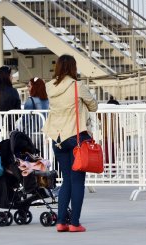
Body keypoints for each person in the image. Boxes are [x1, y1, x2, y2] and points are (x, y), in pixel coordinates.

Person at [41, 54, 98, 233]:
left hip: (57, 138)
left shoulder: (49, 87)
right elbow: (94, 106)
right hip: (76, 136)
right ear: (73, 68)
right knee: (78, 181)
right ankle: (74, 223)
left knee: (66, 180)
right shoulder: (77, 86)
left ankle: (61, 222)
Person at [22, 77, 49, 156]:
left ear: (35, 87)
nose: (27, 88)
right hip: (47, 134)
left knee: (34, 159)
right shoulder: (49, 101)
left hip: (34, 133)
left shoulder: (31, 100)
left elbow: (25, 119)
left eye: (29, 86)